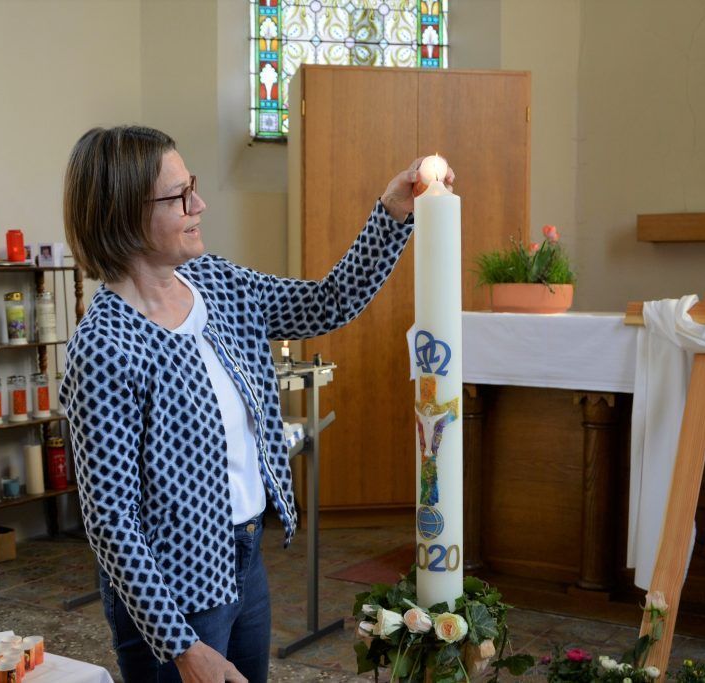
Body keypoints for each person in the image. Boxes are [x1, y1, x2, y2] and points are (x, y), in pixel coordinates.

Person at [59, 125, 453, 683]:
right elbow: (110, 521)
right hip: (170, 595)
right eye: (178, 196)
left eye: (191, 185)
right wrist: (181, 646)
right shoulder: (106, 346)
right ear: (123, 214)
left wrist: (391, 213)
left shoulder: (215, 282)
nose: (200, 203)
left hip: (244, 559)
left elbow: (328, 302)